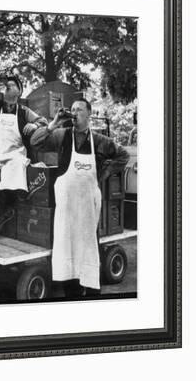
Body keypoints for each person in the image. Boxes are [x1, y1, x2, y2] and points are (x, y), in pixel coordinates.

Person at [31, 98, 129, 298]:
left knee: (88, 251)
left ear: (89, 114)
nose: (74, 112)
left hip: (87, 212)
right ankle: (72, 295)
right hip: (67, 212)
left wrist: (104, 173)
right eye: (72, 109)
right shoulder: (61, 135)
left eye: (79, 109)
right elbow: (35, 142)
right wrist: (53, 123)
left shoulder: (101, 141)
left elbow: (123, 156)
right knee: (68, 253)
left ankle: (93, 294)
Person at [0, 73, 47, 241]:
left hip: (14, 155)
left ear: (19, 91)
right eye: (5, 86)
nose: (7, 88)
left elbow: (44, 123)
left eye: (11, 85)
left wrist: (34, 125)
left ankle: (11, 216)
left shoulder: (25, 112)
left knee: (16, 179)